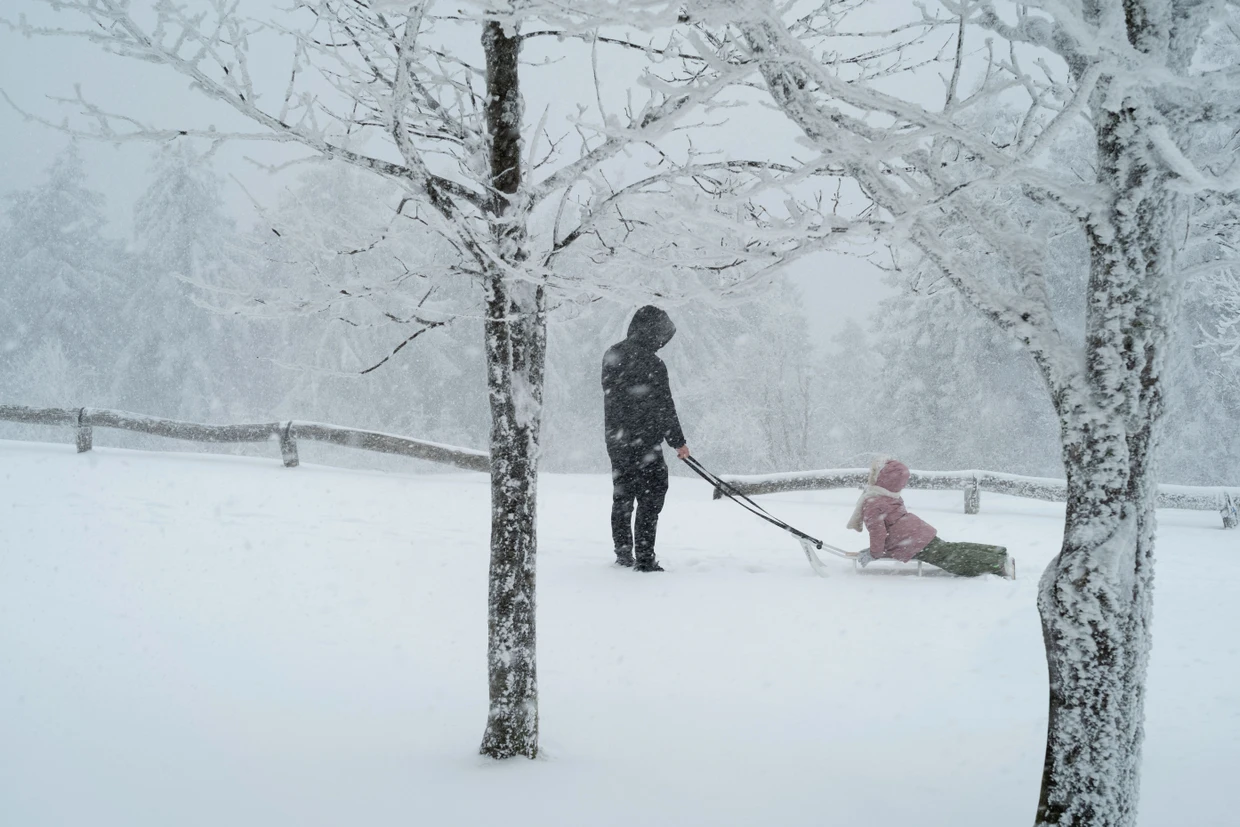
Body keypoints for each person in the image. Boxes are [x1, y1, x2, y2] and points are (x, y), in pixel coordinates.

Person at [602, 305, 691, 572]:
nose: (662, 342)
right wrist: (678, 442)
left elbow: (617, 397)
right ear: (652, 332)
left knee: (623, 494)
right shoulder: (653, 363)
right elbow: (664, 405)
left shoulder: (612, 354)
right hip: (645, 442)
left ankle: (623, 552)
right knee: (651, 496)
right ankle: (644, 557)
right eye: (660, 335)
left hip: (617, 439)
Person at [847, 457, 1015, 579]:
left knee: (952, 560)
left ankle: (998, 564)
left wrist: (874, 553)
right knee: (949, 549)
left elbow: (878, 533)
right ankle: (996, 552)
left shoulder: (873, 501)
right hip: (916, 532)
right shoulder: (891, 496)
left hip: (909, 540)